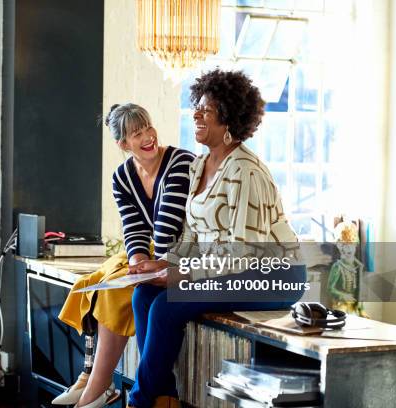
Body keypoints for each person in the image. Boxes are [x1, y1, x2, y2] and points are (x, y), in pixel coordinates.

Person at [126, 69, 307, 408]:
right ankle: (164, 398)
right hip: (229, 268)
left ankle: (140, 401)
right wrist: (165, 264)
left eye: (205, 110)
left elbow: (241, 254)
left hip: (271, 275)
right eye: (196, 106)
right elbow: (193, 235)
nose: (195, 113)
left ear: (228, 121)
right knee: (144, 294)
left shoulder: (246, 171)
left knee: (167, 306)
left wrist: (184, 274)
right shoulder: (200, 165)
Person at [53, 103, 195, 408]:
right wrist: (136, 262)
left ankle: (97, 385)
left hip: (180, 254)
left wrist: (143, 265)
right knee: (95, 283)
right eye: (136, 133)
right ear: (123, 143)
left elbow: (167, 230)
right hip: (151, 255)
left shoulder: (180, 162)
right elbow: (133, 231)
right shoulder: (122, 177)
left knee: (116, 292)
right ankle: (92, 377)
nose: (148, 137)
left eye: (148, 127)